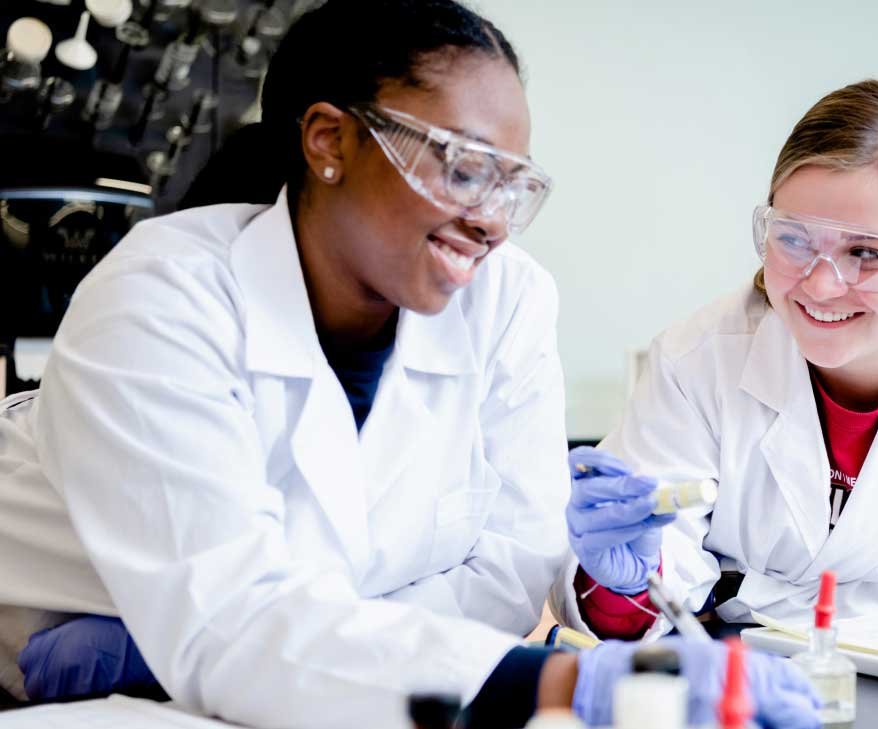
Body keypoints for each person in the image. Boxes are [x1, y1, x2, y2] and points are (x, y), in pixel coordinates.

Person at [0, 2, 820, 727]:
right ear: (329, 141)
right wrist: (576, 682)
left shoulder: (509, 304)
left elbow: (505, 573)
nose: (494, 222)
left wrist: (282, 644)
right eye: (465, 169)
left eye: (514, 185)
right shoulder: (161, 296)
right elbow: (232, 623)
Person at [553, 79, 878, 640]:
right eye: (795, 241)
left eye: (867, 253)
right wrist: (625, 585)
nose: (822, 286)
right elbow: (639, 601)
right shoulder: (697, 361)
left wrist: (732, 591)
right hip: (724, 672)